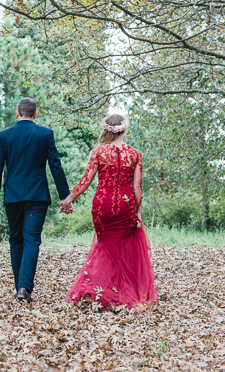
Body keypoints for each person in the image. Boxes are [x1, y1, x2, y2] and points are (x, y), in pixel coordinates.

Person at [60, 114, 158, 308]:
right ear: (124, 129)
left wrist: (68, 200)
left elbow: (86, 180)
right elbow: (138, 187)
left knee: (103, 246)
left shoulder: (99, 152)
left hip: (103, 205)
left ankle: (100, 291)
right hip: (126, 204)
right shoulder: (135, 154)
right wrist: (136, 211)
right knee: (124, 249)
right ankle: (121, 293)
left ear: (106, 129)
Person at [0, 97, 72, 303]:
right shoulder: (45, 134)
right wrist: (66, 197)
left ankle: (20, 286)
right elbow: (56, 166)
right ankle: (24, 287)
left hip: (13, 196)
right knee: (32, 239)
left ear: (17, 113)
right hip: (37, 196)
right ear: (35, 115)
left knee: (16, 240)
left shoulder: (4, 136)